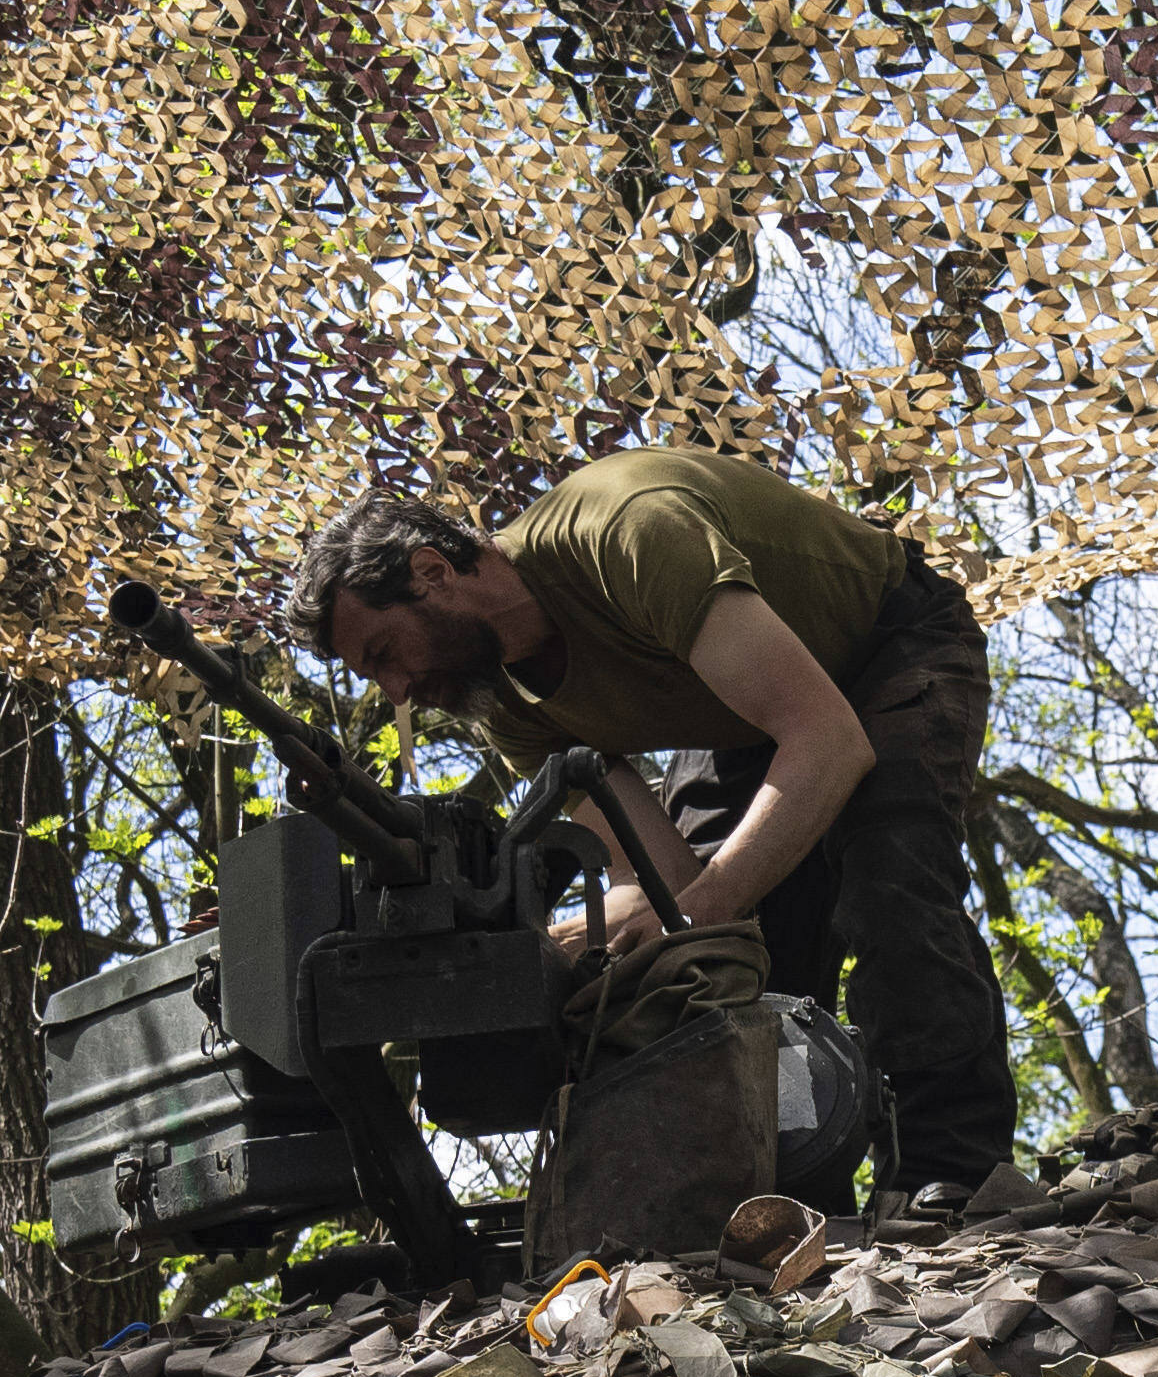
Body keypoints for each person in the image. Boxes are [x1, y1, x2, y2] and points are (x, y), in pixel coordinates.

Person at [302, 450, 1024, 1196]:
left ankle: (953, 1175)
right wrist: (576, 950)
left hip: (885, 646)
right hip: (738, 725)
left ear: (432, 571)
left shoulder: (628, 532)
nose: (398, 690)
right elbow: (671, 893)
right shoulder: (511, 713)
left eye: (385, 653)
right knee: (729, 968)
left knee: (888, 884)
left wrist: (696, 908)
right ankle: (796, 1202)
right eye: (372, 676)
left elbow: (829, 743)